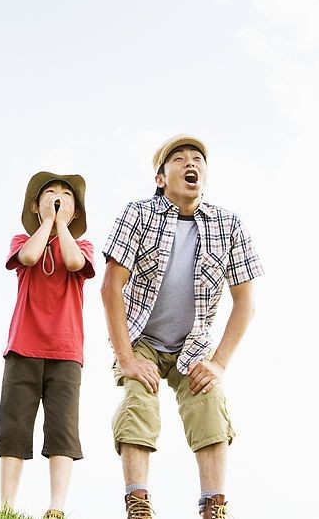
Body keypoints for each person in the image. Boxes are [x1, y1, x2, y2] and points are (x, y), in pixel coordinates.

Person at [99, 134, 263, 519]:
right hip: (142, 338)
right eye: (180, 159)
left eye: (198, 160)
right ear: (161, 178)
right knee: (139, 400)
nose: (191, 164)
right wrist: (126, 359)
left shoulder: (228, 223)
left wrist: (219, 363)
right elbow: (111, 286)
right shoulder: (139, 213)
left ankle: (213, 507)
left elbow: (246, 302)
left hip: (193, 345)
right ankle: (138, 504)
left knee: (210, 404)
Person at [0, 172, 96, 519]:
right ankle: (6, 506)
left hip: (65, 351)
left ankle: (56, 506)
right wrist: (48, 221)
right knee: (14, 427)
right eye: (49, 193)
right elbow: (30, 257)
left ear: (76, 210)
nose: (58, 196)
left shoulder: (82, 245)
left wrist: (62, 225)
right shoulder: (22, 239)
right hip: (23, 346)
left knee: (62, 429)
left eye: (66, 195)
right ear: (35, 206)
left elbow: (74, 263)